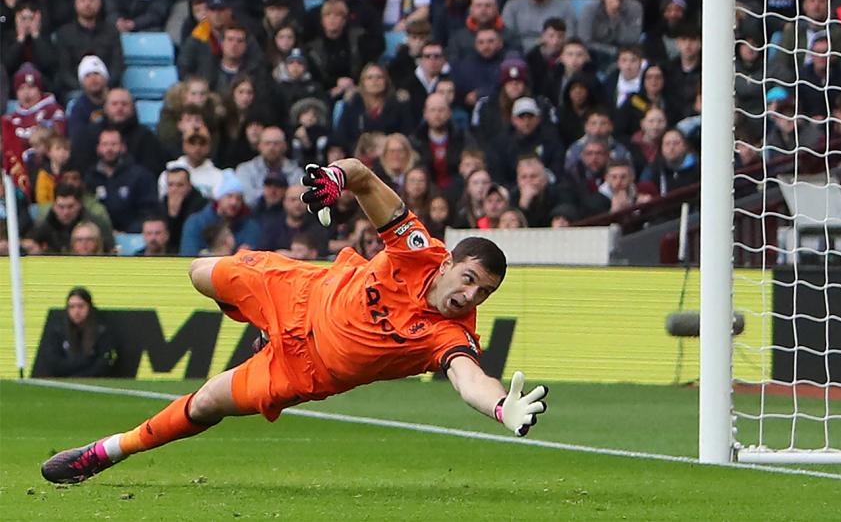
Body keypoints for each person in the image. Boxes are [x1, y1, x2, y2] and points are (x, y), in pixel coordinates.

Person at [41, 158, 549, 484]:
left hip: (302, 370)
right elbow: (363, 176)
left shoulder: (452, 334)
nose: (469, 294)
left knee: (206, 405)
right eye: (468, 279)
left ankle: (104, 453)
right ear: (446, 263)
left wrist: (502, 407)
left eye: (483, 292)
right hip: (300, 293)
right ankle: (260, 322)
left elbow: (469, 381)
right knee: (200, 273)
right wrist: (333, 178)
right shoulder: (418, 247)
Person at [34, 287, 118, 378]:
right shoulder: (58, 331)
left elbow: (104, 363)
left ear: (89, 307)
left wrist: (82, 375)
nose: (76, 311)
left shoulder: (101, 332)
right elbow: (52, 361)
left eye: (81, 306)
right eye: (72, 307)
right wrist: (86, 362)